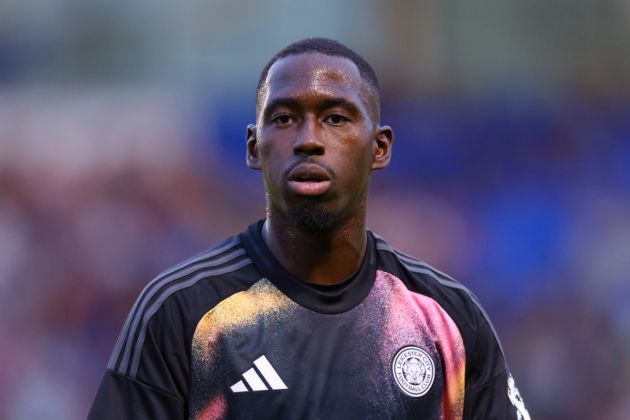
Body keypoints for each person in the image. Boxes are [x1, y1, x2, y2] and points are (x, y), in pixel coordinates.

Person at [88, 38, 530, 420]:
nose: (309, 139)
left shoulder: (446, 320)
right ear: (253, 148)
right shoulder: (183, 314)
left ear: (379, 148)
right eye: (283, 119)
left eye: (336, 118)